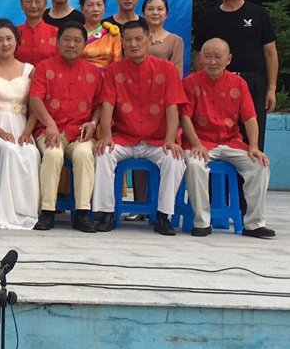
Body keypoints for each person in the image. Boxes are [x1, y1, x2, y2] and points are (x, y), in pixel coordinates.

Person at [92, 20, 187, 235]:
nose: (133, 44)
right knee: (103, 153)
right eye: (128, 40)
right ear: (122, 43)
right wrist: (106, 136)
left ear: (149, 40)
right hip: (124, 137)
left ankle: (163, 216)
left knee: (175, 159)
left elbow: (173, 107)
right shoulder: (115, 70)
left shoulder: (167, 70)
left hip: (157, 140)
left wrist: (170, 140)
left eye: (138, 39)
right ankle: (106, 213)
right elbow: (107, 105)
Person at [181, 39, 275, 239]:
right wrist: (196, 143)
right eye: (208, 57)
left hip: (231, 140)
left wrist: (254, 146)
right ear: (200, 59)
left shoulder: (239, 84)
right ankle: (202, 222)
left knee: (259, 165)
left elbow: (250, 118)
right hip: (200, 141)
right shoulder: (190, 82)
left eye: (218, 57)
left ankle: (254, 224)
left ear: (229, 59)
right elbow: (185, 117)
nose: (212, 62)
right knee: (195, 165)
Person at [194, 0, 277, 150]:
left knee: (253, 141)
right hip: (218, 84)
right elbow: (199, 54)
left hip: (253, 83)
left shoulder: (258, 14)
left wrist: (271, 89)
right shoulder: (208, 18)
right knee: (216, 137)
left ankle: (251, 168)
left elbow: (270, 52)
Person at [29, 21, 101, 232]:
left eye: (77, 40)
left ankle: (82, 214)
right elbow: (35, 99)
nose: (71, 44)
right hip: (50, 131)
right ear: (57, 42)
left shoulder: (94, 72)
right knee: (53, 154)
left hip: (80, 133)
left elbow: (100, 104)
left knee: (84, 155)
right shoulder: (44, 68)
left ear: (84, 44)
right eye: (66, 39)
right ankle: (47, 212)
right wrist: (50, 123)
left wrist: (93, 123)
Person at [0, 19, 41, 230]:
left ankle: (25, 212)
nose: (5, 44)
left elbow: (36, 105)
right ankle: (3, 213)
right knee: (7, 150)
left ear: (16, 41)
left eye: (9, 39)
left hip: (21, 125)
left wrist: (27, 131)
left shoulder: (29, 70)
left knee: (31, 153)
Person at [15, 0, 58, 67]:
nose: (33, 6)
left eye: (38, 1)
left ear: (45, 4)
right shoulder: (14, 33)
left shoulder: (56, 32)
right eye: (28, 1)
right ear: (21, 5)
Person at [80, 0, 121, 70]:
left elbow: (117, 64)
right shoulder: (75, 33)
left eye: (99, 5)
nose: (95, 9)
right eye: (90, 5)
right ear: (82, 8)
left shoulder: (112, 34)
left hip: (107, 77)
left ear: (104, 7)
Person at [143, 0, 184, 75]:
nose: (155, 13)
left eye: (160, 9)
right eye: (150, 9)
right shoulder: (134, 37)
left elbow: (177, 73)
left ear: (166, 14)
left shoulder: (175, 40)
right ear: (143, 13)